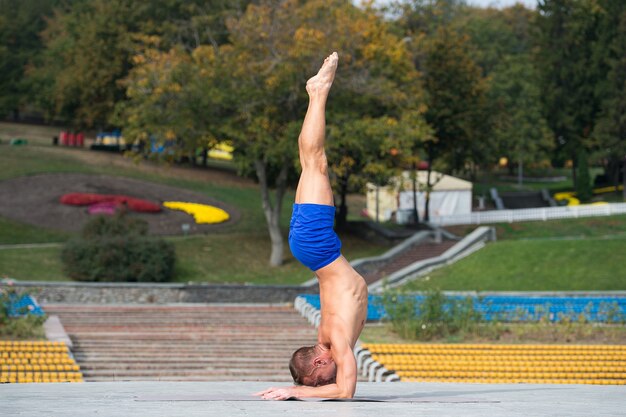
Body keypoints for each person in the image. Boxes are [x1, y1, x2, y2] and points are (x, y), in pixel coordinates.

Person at [255, 52, 368, 400]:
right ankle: (316, 93)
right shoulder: (329, 337)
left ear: (319, 364)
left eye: (321, 380)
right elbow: (337, 386)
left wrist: (296, 391)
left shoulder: (333, 336)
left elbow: (345, 392)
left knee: (315, 163)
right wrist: (299, 386)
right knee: (311, 164)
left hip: (316, 246)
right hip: (310, 247)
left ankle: (318, 92)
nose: (328, 382)